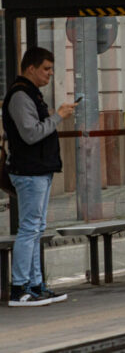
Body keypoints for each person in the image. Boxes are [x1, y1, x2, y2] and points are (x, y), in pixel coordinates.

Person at [2, 47, 76, 306]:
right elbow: (31, 134)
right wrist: (58, 117)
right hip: (29, 171)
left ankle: (34, 285)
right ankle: (20, 287)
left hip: (38, 170)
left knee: (36, 229)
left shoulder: (31, 94)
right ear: (30, 68)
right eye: (46, 69)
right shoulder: (20, 96)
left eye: (51, 69)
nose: (49, 74)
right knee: (29, 229)